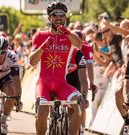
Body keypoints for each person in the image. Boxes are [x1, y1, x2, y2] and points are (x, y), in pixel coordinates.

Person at [29, 2, 82, 135]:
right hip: (43, 84)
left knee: (77, 106)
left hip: (61, 84)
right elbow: (31, 61)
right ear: (49, 18)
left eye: (62, 15)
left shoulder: (70, 36)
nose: (58, 17)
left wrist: (67, 32)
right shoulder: (40, 36)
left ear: (65, 18)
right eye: (55, 14)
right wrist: (43, 46)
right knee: (42, 112)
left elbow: (79, 45)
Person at [0, 33, 23, 134]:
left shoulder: (12, 56)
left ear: (7, 50)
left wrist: (18, 98)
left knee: (12, 94)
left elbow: (16, 79)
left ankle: (3, 120)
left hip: (4, 77)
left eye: (2, 52)